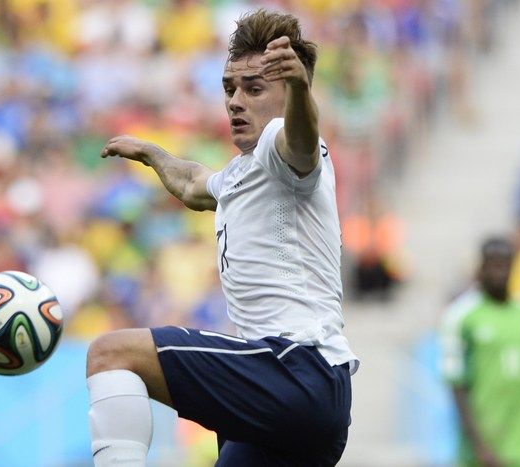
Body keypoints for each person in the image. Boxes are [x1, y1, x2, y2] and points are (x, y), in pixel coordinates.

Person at [86, 9, 358, 466]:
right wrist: (153, 154)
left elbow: (301, 142)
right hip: (299, 404)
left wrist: (300, 92)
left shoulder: (282, 145)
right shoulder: (243, 173)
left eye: (254, 88)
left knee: (111, 353)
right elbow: (193, 184)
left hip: (294, 366)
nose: (235, 101)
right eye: (230, 88)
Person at [440, 237, 520, 466]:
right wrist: (479, 446)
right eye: (494, 266)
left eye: (505, 265)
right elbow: (456, 384)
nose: (500, 273)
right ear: (481, 268)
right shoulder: (461, 316)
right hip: (484, 449)